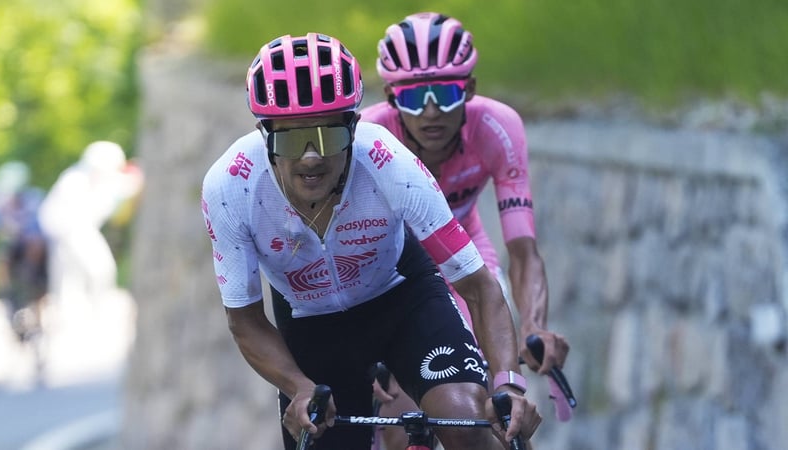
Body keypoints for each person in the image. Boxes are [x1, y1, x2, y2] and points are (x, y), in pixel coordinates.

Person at [201, 32, 541, 450]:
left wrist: (508, 386)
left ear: (354, 126)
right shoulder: (230, 186)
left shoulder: (389, 162)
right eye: (291, 139)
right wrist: (297, 386)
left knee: (467, 422)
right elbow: (246, 320)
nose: (311, 157)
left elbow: (479, 287)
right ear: (264, 134)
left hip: (403, 298)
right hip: (311, 322)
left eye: (328, 136)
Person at [359, 12, 571, 447]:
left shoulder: (496, 127)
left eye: (446, 93)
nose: (431, 110)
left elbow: (523, 250)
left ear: (470, 90)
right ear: (391, 98)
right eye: (414, 97)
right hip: (390, 265)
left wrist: (533, 325)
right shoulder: (367, 135)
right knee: (401, 419)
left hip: (464, 252)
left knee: (499, 411)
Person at [37, 141, 144, 315]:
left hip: (72, 234)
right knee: (93, 272)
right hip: (72, 233)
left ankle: (89, 313)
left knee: (80, 277)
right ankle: (92, 313)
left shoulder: (89, 179)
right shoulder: (76, 180)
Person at [0, 161, 48, 343]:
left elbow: (40, 229)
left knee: (35, 244)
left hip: (35, 248)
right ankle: (6, 292)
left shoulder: (34, 198)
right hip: (14, 246)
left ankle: (34, 289)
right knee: (3, 254)